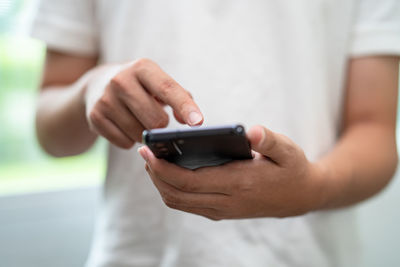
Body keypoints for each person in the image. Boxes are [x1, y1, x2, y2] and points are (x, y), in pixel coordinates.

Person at [31, 0, 400, 266]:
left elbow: (375, 132)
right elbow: (51, 133)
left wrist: (311, 188)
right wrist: (90, 89)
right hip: (134, 254)